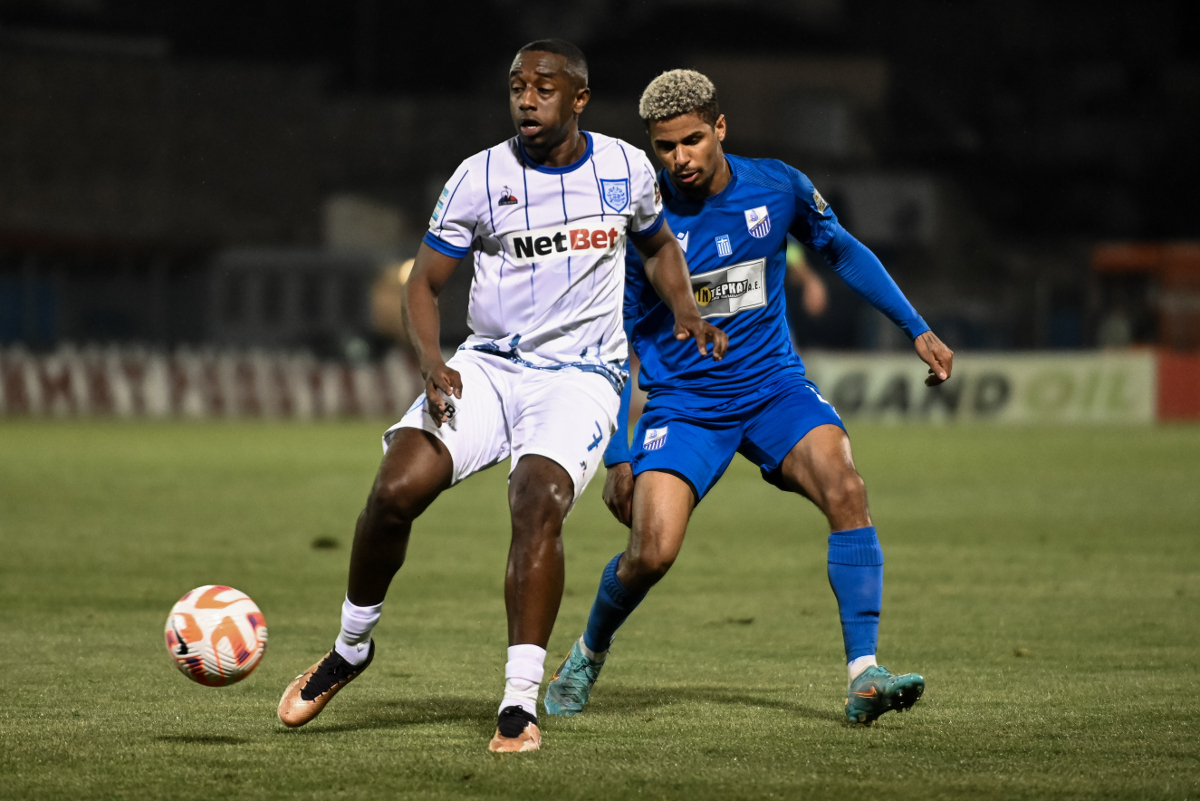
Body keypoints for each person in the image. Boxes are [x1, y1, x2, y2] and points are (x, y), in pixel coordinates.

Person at [277, 44, 726, 753]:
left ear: (579, 98)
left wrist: (686, 309)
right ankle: (350, 647)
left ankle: (518, 703)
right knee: (395, 489)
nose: (526, 98)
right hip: (487, 367)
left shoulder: (625, 168)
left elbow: (657, 246)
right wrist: (431, 361)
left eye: (544, 87)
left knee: (536, 499)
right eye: (518, 86)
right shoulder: (478, 176)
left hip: (581, 376)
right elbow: (423, 283)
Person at [545, 69, 954, 725]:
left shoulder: (777, 186)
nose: (679, 158)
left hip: (773, 389)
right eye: (664, 147)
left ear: (720, 128)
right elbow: (612, 342)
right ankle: (587, 653)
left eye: (692, 140)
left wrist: (917, 327)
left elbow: (842, 250)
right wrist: (618, 455)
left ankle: (864, 674)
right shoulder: (640, 224)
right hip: (683, 405)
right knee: (651, 552)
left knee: (846, 488)